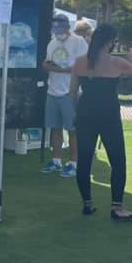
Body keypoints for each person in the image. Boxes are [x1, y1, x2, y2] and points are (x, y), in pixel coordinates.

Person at [71, 24, 132, 220]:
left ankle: (87, 204)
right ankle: (117, 207)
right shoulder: (116, 62)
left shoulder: (80, 61)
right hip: (109, 115)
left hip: (85, 114)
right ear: (111, 41)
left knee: (84, 161)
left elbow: (72, 93)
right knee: (118, 161)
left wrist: (78, 112)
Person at [41, 15, 89, 177]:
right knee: (55, 127)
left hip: (70, 92)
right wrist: (46, 66)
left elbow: (82, 67)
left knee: (72, 129)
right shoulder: (52, 43)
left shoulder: (79, 42)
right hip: (52, 91)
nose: (58, 33)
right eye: (55, 30)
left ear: (68, 27)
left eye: (60, 29)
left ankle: (74, 164)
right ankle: (56, 161)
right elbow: (48, 62)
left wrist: (57, 69)